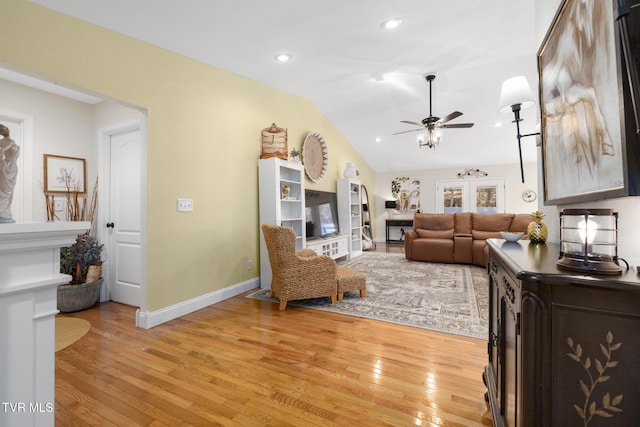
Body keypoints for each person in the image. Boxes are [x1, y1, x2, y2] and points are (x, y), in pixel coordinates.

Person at [0, 124, 19, 223]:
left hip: (7, 166)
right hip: (9, 166)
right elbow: (3, 150)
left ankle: (4, 212)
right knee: (6, 191)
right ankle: (3, 213)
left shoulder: (2, 142)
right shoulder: (11, 142)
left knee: (6, 191)